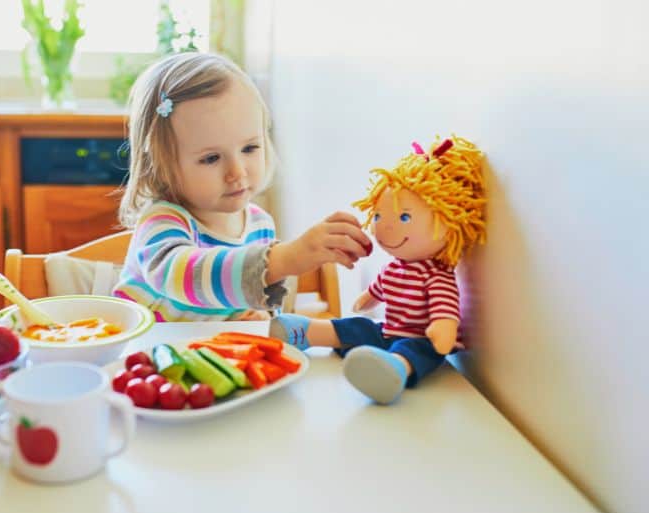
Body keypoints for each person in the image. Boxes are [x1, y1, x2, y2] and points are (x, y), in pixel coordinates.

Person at [113, 52, 371, 322]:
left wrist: (259, 314)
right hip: (146, 357)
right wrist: (282, 259)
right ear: (161, 164)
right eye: (211, 158)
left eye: (249, 148)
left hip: (216, 357)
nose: (237, 172)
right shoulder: (162, 222)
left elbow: (253, 292)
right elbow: (184, 277)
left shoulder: (260, 224)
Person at [270, 136, 487, 404]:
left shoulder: (437, 276)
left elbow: (445, 310)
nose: (384, 228)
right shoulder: (394, 268)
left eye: (404, 217)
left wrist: (443, 329)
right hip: (386, 330)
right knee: (358, 326)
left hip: (419, 338)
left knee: (414, 350)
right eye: (379, 216)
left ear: (448, 222)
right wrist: (367, 298)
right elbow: (381, 288)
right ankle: (305, 332)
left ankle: (393, 370)